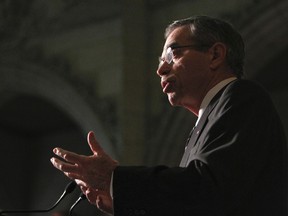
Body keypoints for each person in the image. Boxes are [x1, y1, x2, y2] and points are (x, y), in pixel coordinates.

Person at [50, 15, 287, 216]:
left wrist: (115, 178)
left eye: (172, 55)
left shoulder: (241, 96)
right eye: (161, 61)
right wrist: (122, 202)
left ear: (215, 55)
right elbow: (194, 205)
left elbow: (207, 191)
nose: (160, 69)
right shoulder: (205, 121)